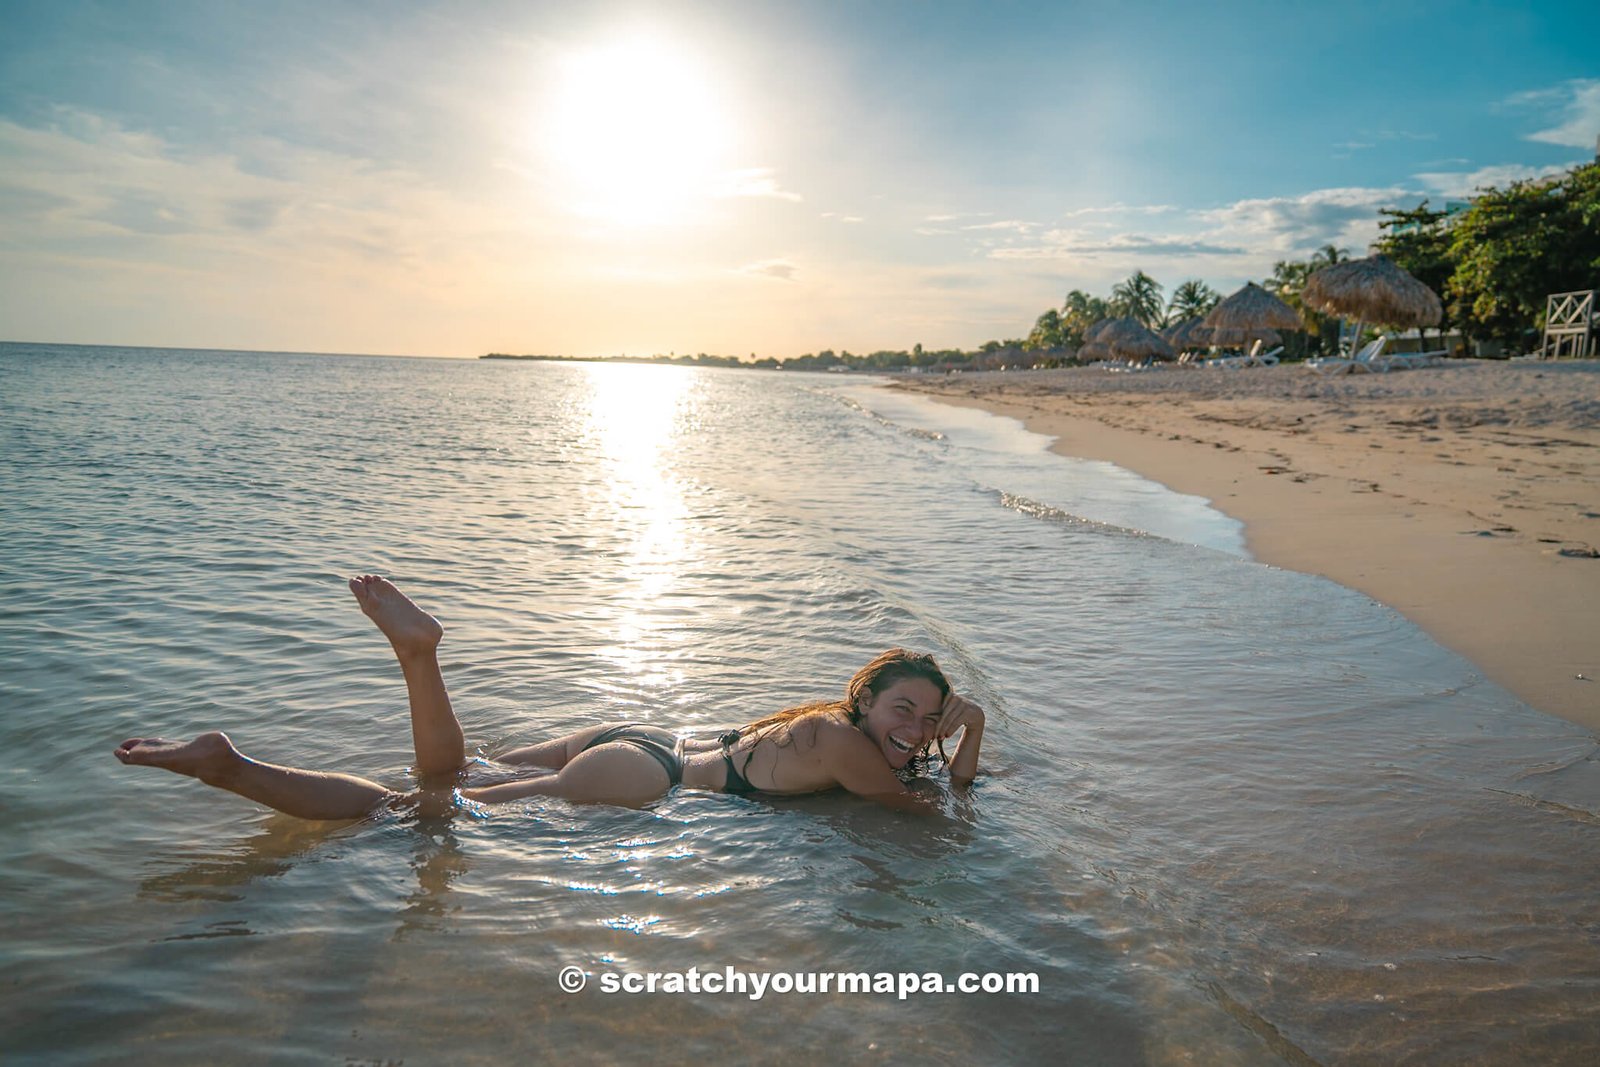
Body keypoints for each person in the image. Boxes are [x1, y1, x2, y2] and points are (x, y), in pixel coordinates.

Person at [115, 576, 985, 817]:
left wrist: (963, 728)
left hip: (636, 739)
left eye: (925, 713)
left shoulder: (827, 725)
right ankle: (234, 765)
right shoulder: (848, 749)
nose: (911, 726)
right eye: (901, 709)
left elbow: (932, 783)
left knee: (451, 778)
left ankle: (419, 662)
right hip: (647, 778)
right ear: (864, 703)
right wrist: (963, 742)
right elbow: (928, 816)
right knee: (414, 810)